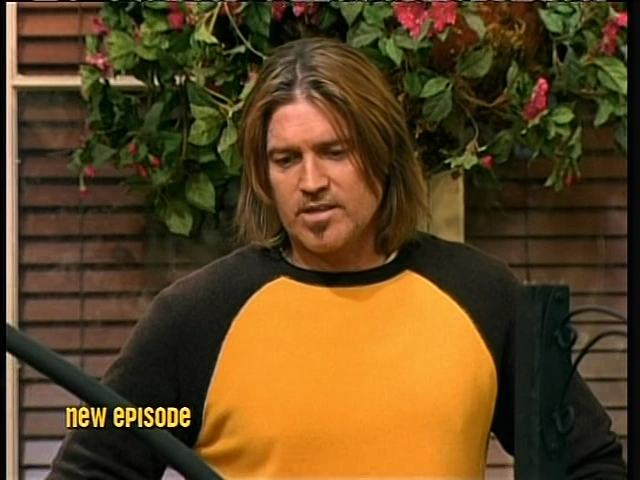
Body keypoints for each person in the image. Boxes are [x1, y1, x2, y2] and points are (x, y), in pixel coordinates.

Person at [47, 37, 626, 479]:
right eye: (286, 159)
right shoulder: (196, 317)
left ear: (383, 154)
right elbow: (92, 460)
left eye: (334, 152)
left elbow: (590, 465)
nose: (311, 182)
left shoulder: (483, 294)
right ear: (263, 175)